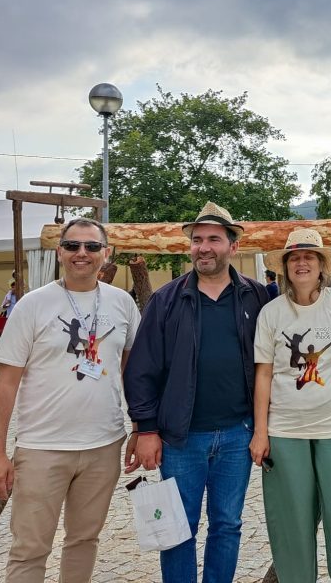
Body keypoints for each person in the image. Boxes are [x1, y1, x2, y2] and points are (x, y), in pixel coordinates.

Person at [0, 218, 139, 583]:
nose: (81, 254)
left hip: (103, 444)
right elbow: (5, 384)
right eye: (72, 246)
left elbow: (133, 374)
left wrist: (139, 428)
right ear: (59, 252)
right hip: (42, 447)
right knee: (29, 549)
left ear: (107, 253)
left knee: (84, 539)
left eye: (91, 246)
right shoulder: (33, 305)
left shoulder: (123, 303)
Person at [125, 201, 268, 583]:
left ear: (233, 247)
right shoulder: (167, 300)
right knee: (177, 529)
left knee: (227, 525)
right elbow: (141, 370)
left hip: (238, 434)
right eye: (197, 239)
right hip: (181, 438)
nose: (204, 247)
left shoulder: (257, 297)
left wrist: (261, 428)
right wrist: (147, 429)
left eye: (214, 239)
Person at [251, 228, 331, 583]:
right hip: (285, 430)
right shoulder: (272, 313)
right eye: (294, 258)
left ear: (322, 265)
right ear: (286, 267)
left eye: (309, 256)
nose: (301, 262)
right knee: (291, 523)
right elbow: (263, 375)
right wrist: (261, 432)